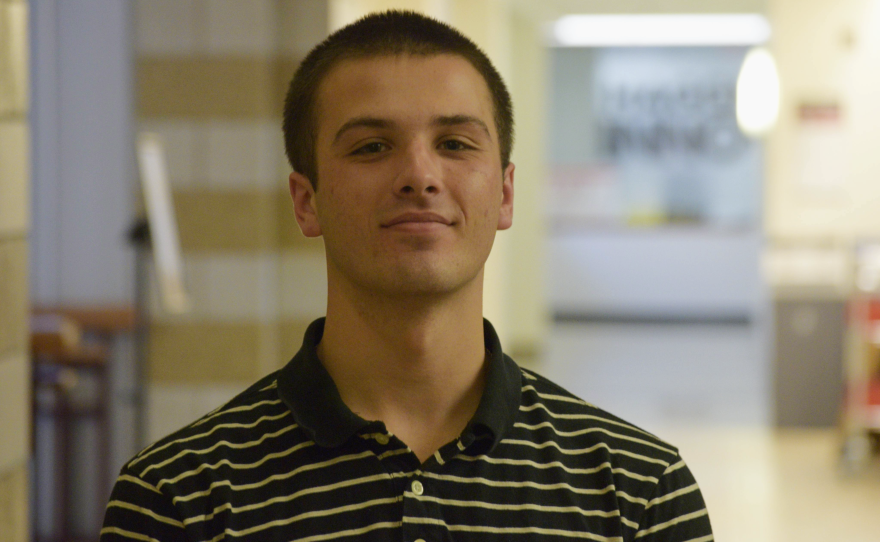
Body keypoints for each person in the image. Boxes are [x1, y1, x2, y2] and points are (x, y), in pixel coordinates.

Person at [101, 10, 713, 542]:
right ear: (306, 202)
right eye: (371, 146)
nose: (420, 176)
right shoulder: (175, 500)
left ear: (504, 194)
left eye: (455, 143)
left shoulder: (640, 494)